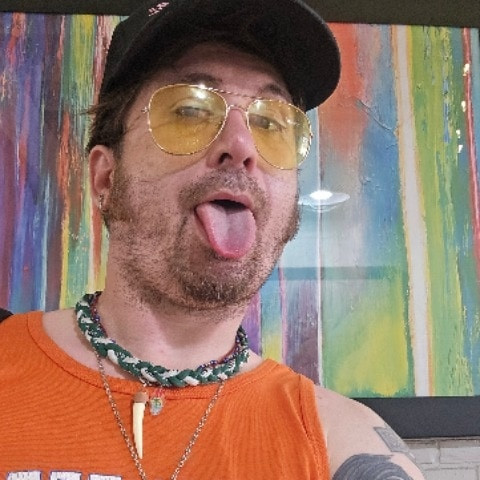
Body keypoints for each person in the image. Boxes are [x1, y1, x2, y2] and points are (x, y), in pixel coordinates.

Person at [0, 0, 426, 478]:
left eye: (271, 123)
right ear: (106, 178)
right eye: (189, 111)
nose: (241, 146)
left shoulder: (340, 445)